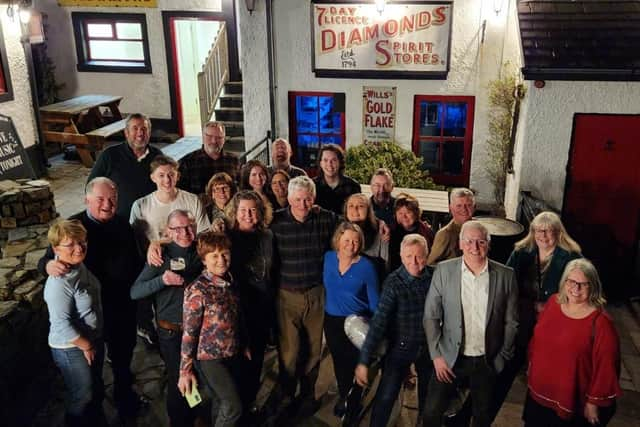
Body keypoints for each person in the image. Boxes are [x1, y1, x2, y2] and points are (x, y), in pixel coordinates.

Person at [38, 178, 143, 420]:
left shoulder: (123, 225)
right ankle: (94, 415)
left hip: (120, 308)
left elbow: (134, 263)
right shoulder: (73, 227)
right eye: (100, 199)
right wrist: (48, 266)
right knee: (90, 375)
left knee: (122, 360)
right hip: (87, 314)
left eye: (112, 199)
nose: (107, 204)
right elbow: (48, 259)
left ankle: (124, 399)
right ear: (86, 199)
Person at [423, 220, 518, 427]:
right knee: (431, 413)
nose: (474, 247)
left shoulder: (506, 275)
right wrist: (436, 355)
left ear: (488, 244)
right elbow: (431, 315)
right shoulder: (444, 271)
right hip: (449, 358)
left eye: (481, 242)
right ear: (460, 244)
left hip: (487, 360)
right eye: (469, 241)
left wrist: (502, 357)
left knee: (482, 416)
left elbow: (511, 322)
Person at [493, 211, 582, 419]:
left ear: (558, 233)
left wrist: (551, 307)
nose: (543, 235)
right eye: (538, 230)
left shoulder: (572, 258)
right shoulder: (522, 251)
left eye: (548, 230)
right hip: (521, 321)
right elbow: (506, 283)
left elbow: (580, 293)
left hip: (553, 327)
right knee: (502, 372)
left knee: (543, 377)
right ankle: (471, 416)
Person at [268, 175, 338, 416]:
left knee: (313, 351)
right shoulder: (274, 222)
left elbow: (349, 229)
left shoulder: (326, 219)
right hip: (286, 296)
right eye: (297, 199)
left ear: (314, 198)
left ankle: (307, 396)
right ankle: (285, 394)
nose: (303, 204)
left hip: (316, 294)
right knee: (288, 353)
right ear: (288, 199)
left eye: (307, 199)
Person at [523, 259, 621, 427]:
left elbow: (607, 367)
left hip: (570, 398)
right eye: (572, 281)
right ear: (564, 281)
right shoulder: (554, 303)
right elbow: (537, 339)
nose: (576, 288)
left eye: (584, 284)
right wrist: (531, 364)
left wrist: (593, 403)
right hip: (539, 392)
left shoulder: (600, 323)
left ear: (593, 286)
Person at [130, 210, 203, 427]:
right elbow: (134, 292)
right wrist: (162, 280)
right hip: (172, 331)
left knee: (196, 375)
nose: (185, 232)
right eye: (178, 228)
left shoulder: (202, 249)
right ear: (168, 231)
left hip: (199, 330)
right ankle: (179, 422)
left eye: (189, 226)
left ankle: (194, 413)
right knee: (178, 378)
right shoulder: (160, 256)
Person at [355, 234, 432, 427]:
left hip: (429, 348)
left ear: (427, 255)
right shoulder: (394, 283)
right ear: (401, 256)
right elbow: (379, 322)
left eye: (419, 256)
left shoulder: (435, 277)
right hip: (401, 348)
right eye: (408, 256)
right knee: (386, 397)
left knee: (429, 399)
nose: (414, 262)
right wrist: (364, 361)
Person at [178, 232, 248, 427]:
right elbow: (189, 333)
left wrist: (245, 344)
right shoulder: (197, 290)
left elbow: (237, 316)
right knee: (233, 407)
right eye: (214, 256)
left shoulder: (230, 282)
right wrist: (185, 370)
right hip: (210, 359)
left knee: (221, 402)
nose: (221, 260)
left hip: (232, 353)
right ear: (204, 260)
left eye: (225, 253)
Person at [43, 220, 104, 427]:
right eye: (70, 244)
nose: (79, 248)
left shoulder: (78, 264)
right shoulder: (59, 283)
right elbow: (61, 324)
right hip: (71, 347)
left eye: (82, 241)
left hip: (89, 340)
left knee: (94, 388)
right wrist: (86, 345)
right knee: (82, 394)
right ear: (55, 249)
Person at [224, 190, 275, 415]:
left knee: (256, 359)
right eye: (243, 210)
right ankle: (233, 406)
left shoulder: (268, 236)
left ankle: (249, 401)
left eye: (253, 210)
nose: (248, 214)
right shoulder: (226, 236)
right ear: (234, 213)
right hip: (235, 311)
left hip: (261, 309)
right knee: (235, 362)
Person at [323, 222, 379, 418]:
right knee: (339, 364)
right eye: (347, 240)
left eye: (356, 241)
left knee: (354, 367)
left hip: (355, 323)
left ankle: (353, 405)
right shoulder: (328, 258)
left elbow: (375, 302)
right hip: (332, 323)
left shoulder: (366, 267)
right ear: (338, 240)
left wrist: (375, 331)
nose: (351, 245)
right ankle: (344, 396)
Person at [88, 113, 162, 219]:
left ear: (149, 133)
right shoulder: (109, 155)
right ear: (126, 133)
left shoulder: (157, 155)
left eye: (144, 129)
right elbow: (91, 186)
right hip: (118, 220)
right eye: (135, 128)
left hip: (150, 217)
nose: (140, 133)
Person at [130, 155, 210, 250]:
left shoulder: (193, 200)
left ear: (178, 176)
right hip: (155, 258)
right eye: (161, 175)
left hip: (189, 256)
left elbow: (204, 234)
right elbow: (135, 241)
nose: (167, 180)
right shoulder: (140, 205)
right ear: (153, 178)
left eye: (171, 175)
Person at [178, 122, 240, 196]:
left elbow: (240, 188)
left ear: (224, 139)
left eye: (219, 137)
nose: (214, 141)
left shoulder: (234, 161)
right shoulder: (187, 162)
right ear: (203, 137)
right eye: (209, 136)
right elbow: (180, 192)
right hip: (198, 206)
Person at [344, 193, 390, 276]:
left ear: (368, 210)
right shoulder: (339, 229)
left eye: (361, 206)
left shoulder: (381, 230)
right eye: (350, 206)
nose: (355, 209)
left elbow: (384, 266)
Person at [389, 193, 435, 272]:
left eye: (408, 213)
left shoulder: (426, 233)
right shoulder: (390, 231)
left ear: (416, 213)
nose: (404, 216)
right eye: (400, 213)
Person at [313, 143, 361, 215]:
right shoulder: (312, 185)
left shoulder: (353, 186)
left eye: (334, 160)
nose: (329, 164)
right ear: (320, 163)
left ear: (340, 163)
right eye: (325, 160)